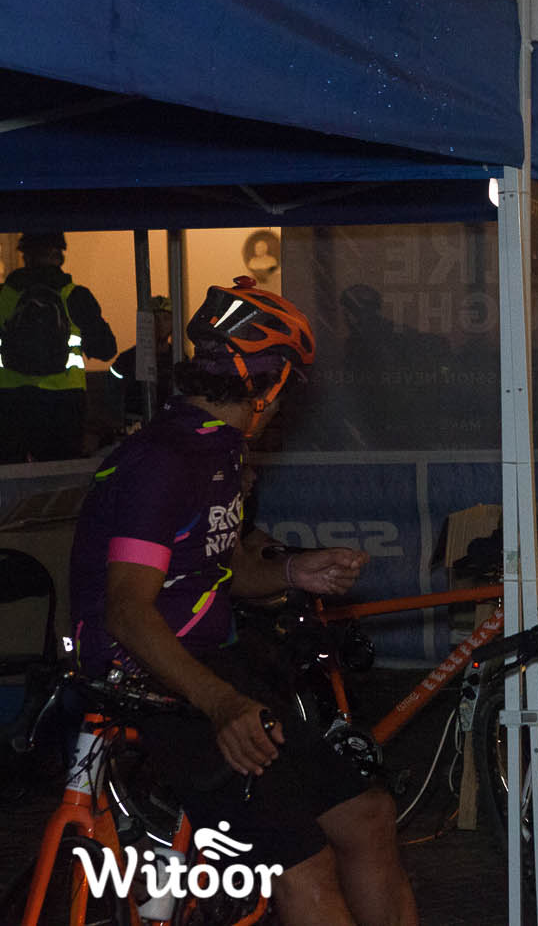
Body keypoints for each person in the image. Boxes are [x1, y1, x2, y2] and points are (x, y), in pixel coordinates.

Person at [68, 276, 419, 926]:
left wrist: (291, 570)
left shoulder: (215, 446)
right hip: (151, 680)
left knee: (368, 816)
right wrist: (223, 704)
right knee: (303, 864)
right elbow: (128, 609)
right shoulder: (164, 459)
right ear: (272, 381)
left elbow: (206, 567)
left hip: (207, 665)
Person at [0, 231, 117, 462]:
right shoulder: (76, 296)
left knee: (8, 475)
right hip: (63, 404)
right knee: (59, 473)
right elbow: (106, 349)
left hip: (10, 402)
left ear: (25, 255)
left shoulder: (4, 295)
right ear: (59, 255)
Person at [109, 295, 176, 427]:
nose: (160, 324)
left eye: (166, 319)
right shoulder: (126, 360)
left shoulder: (179, 359)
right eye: (155, 319)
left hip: (171, 426)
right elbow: (113, 396)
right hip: (137, 426)